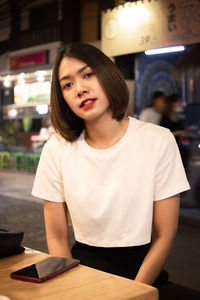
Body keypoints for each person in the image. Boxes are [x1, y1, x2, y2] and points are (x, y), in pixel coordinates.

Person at [32, 43, 192, 299]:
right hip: (80, 276)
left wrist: (134, 294)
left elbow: (164, 236)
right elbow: (58, 236)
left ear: (107, 74)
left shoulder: (158, 140)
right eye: (67, 85)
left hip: (144, 276)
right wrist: (72, 290)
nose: (80, 89)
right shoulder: (56, 149)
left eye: (87, 74)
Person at [160, 93, 190, 173]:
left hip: (180, 151)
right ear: (173, 104)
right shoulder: (165, 118)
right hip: (170, 153)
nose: (182, 104)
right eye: (180, 102)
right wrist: (178, 133)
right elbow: (162, 135)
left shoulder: (179, 119)